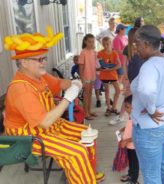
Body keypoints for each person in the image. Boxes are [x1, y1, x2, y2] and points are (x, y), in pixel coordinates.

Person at [3, 28, 104, 183]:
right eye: (40, 60)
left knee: (88, 133)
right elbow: (44, 122)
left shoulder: (39, 76)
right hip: (29, 137)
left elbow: (60, 84)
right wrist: (68, 99)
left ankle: (86, 172)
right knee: (77, 152)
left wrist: (74, 83)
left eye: (44, 58)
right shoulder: (20, 88)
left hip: (48, 126)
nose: (44, 62)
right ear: (24, 62)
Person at [131, 25, 164, 184]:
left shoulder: (149, 66)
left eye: (137, 44)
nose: (135, 48)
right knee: (163, 164)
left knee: (151, 175)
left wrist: (151, 109)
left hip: (150, 128)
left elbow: (146, 90)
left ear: (145, 44)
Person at [109, 18, 144, 125]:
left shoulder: (141, 48)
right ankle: (122, 116)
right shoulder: (126, 48)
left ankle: (136, 116)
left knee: (139, 97)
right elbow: (124, 64)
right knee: (127, 97)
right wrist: (125, 77)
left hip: (141, 77)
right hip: (131, 76)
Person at [98, 37, 121, 117]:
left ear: (111, 43)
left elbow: (119, 65)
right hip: (104, 75)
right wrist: (102, 68)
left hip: (113, 74)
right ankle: (108, 108)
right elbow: (99, 65)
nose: (106, 46)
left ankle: (114, 107)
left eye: (108, 44)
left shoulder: (114, 53)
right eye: (104, 44)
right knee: (107, 91)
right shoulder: (100, 53)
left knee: (118, 90)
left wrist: (110, 69)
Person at [119, 95, 140, 184]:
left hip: (134, 146)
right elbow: (130, 126)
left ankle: (134, 180)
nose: (126, 110)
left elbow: (138, 134)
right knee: (131, 162)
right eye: (125, 107)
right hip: (129, 145)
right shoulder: (132, 116)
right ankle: (130, 175)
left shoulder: (138, 119)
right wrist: (124, 128)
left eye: (128, 107)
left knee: (135, 164)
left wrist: (126, 140)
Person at [78, 34, 98, 120]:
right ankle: (85, 113)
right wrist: (82, 79)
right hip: (86, 77)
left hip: (92, 76)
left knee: (90, 94)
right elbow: (81, 67)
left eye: (93, 41)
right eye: (89, 42)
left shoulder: (94, 52)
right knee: (86, 95)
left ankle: (89, 111)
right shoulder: (83, 52)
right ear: (85, 42)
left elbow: (95, 64)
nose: (91, 43)